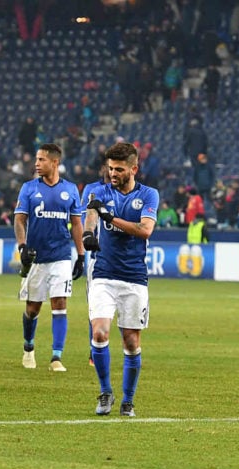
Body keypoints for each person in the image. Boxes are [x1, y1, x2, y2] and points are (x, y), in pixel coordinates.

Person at [82, 142, 159, 417]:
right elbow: (91, 214)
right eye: (110, 168)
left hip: (134, 278)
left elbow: (144, 230)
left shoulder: (149, 195)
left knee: (131, 342)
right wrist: (88, 234)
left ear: (133, 169)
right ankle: (105, 392)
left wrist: (111, 218)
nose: (112, 173)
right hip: (103, 274)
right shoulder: (98, 191)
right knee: (100, 332)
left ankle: (128, 400)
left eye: (119, 169)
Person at [14, 143, 85, 372]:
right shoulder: (28, 188)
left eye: (41, 159)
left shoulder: (71, 190)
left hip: (61, 255)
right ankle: (28, 347)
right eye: (36, 159)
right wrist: (22, 246)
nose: (36, 163)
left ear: (55, 162)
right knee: (32, 308)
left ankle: (56, 357)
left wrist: (81, 254)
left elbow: (76, 224)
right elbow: (20, 220)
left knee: (60, 303)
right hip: (36, 257)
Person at [80, 162, 110, 367]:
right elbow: (85, 217)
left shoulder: (127, 191)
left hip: (119, 255)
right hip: (97, 255)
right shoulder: (92, 190)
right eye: (107, 166)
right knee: (96, 304)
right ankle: (94, 351)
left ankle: (130, 351)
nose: (110, 171)